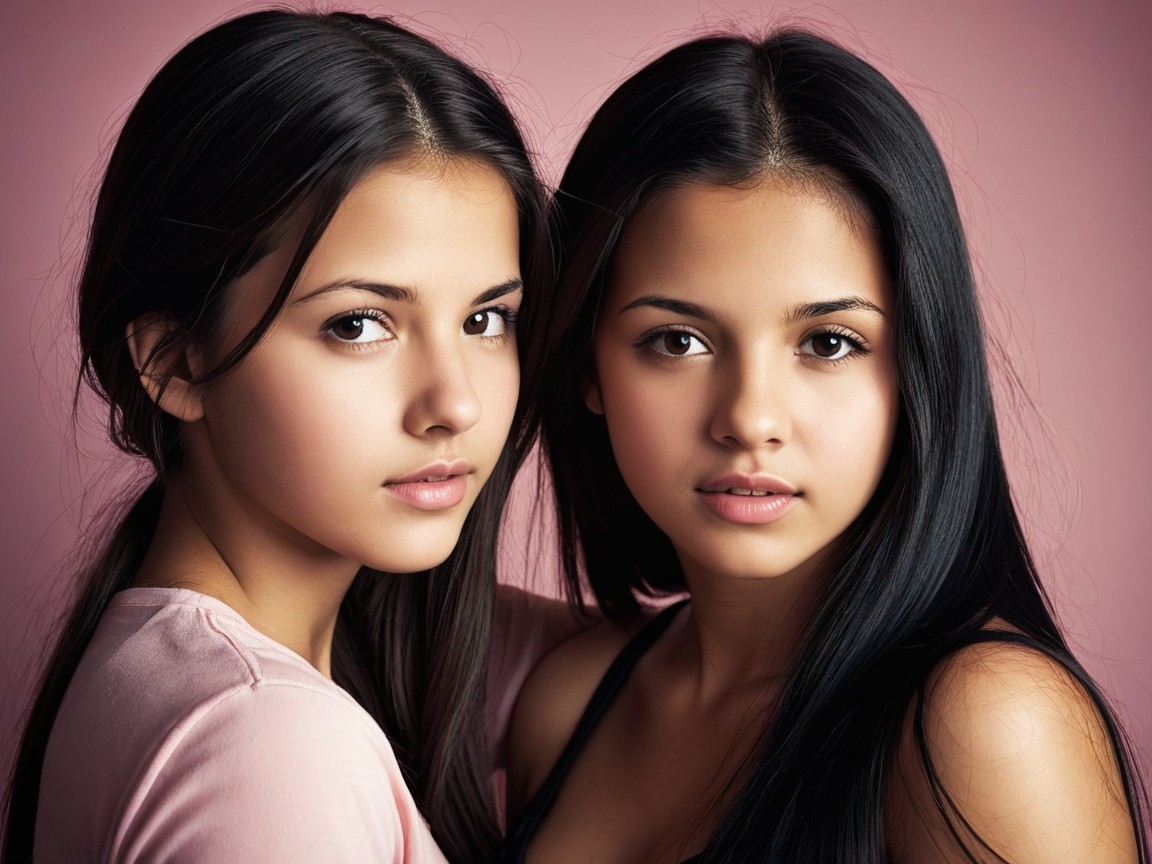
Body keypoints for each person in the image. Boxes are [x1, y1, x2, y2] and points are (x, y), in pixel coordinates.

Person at [507, 30, 1150, 863]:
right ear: (587, 365)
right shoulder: (567, 700)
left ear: (918, 368)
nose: (749, 417)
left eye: (829, 343)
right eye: (676, 342)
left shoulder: (988, 726)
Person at [2, 9, 546, 862]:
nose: (456, 404)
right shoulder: (271, 746)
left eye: (486, 318)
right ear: (176, 363)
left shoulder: (167, 665)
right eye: (360, 325)